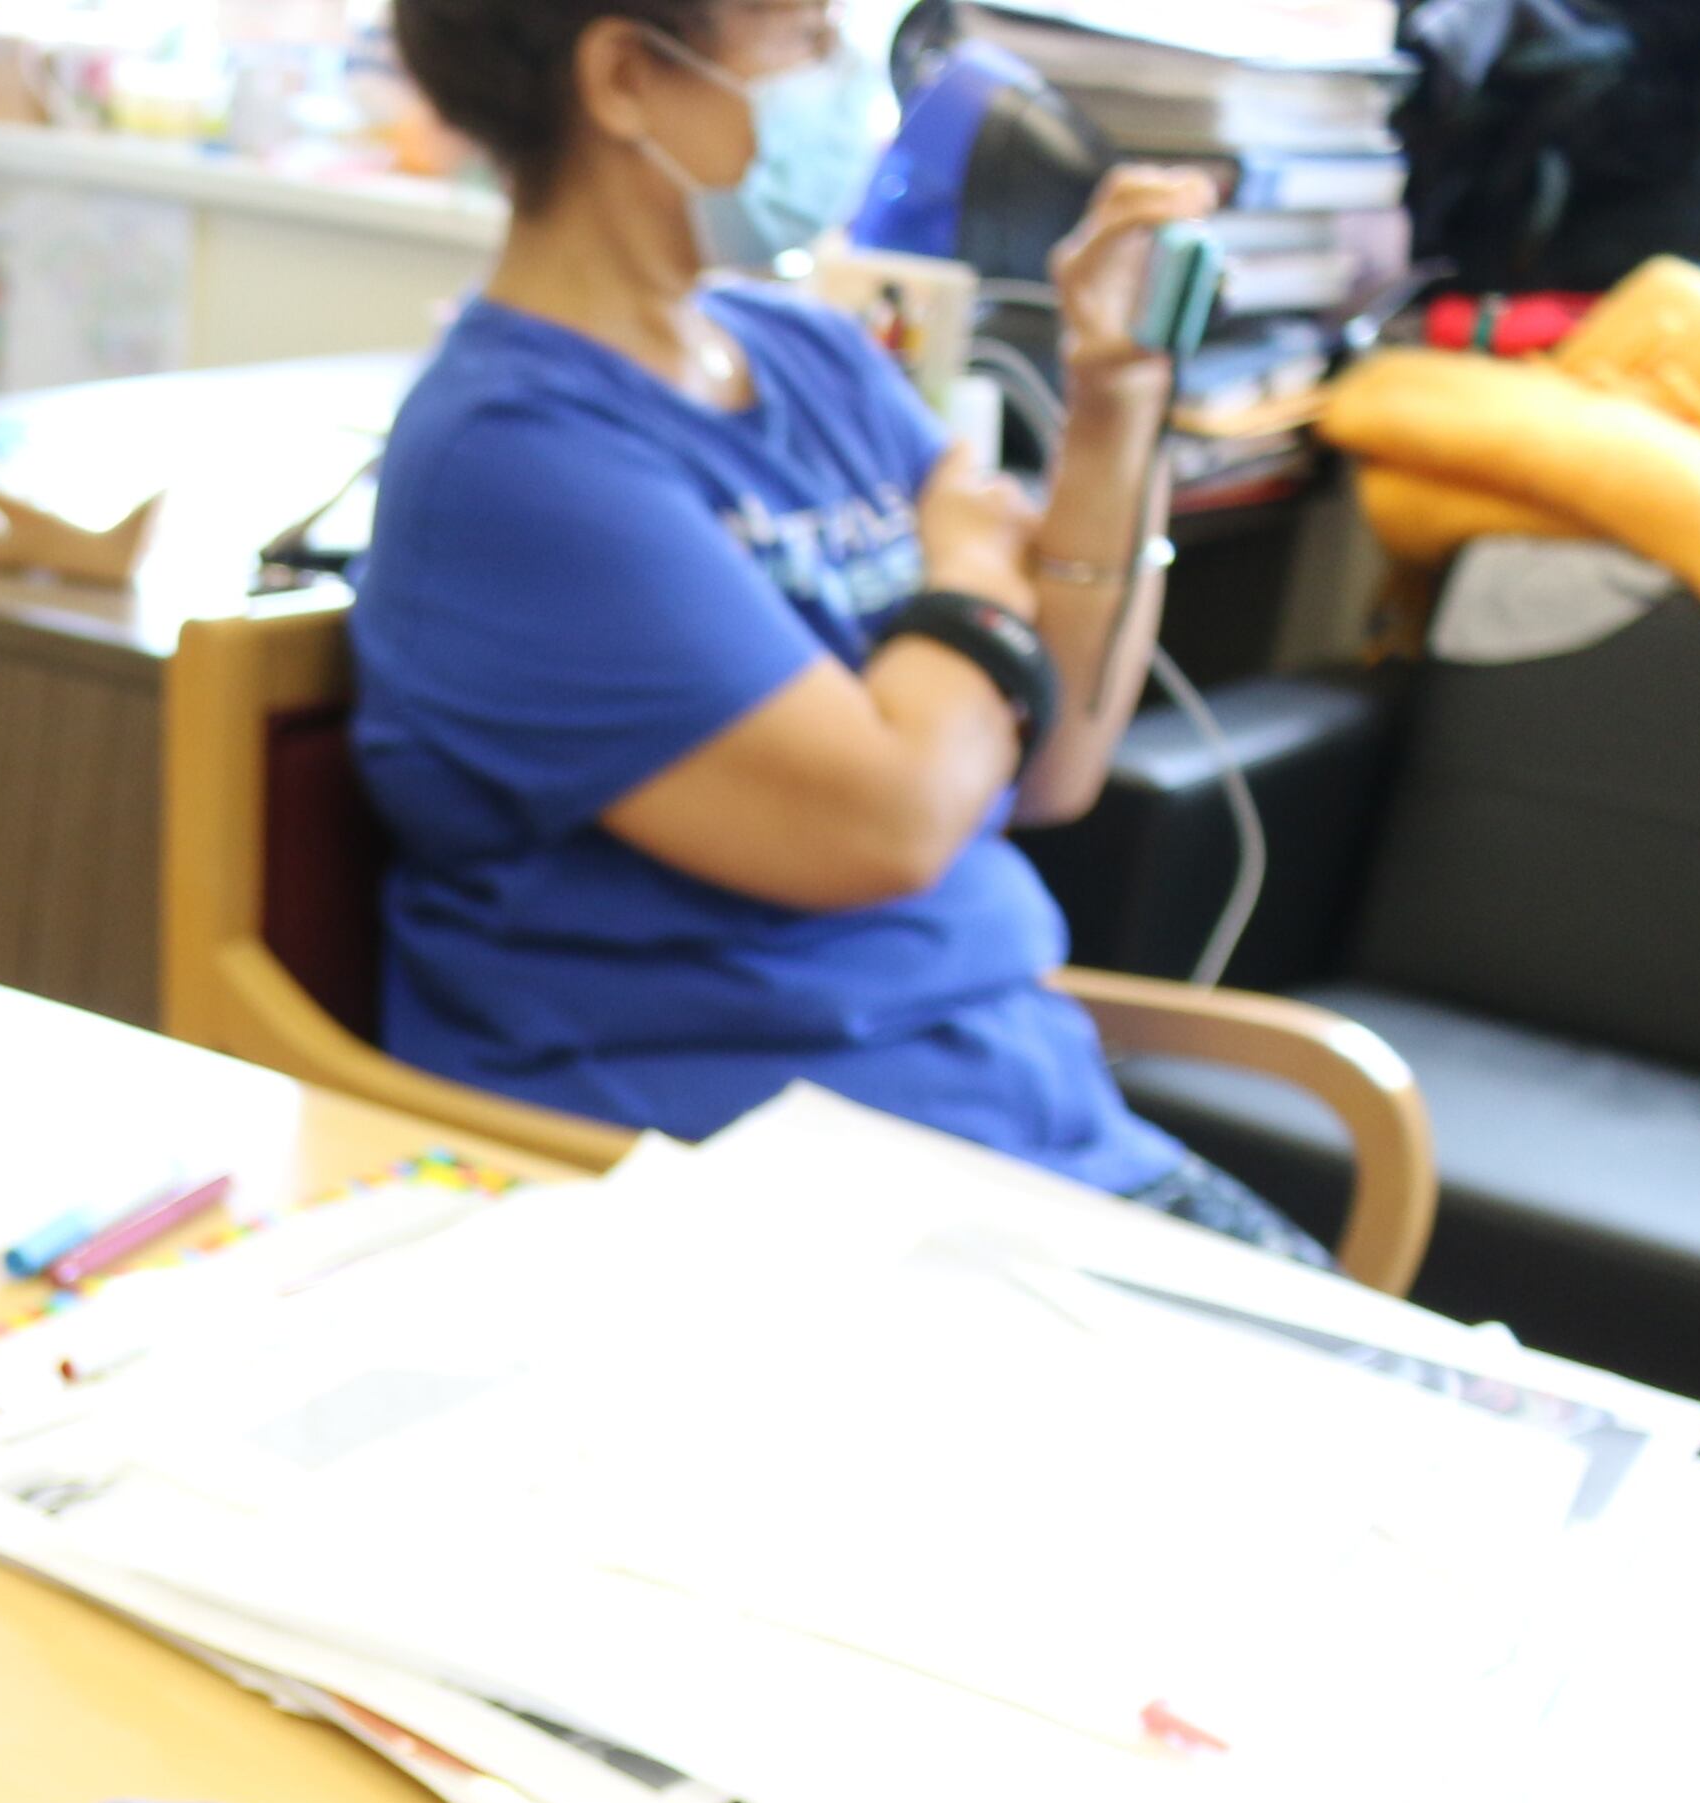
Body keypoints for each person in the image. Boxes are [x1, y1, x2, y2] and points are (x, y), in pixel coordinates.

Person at [360, 0, 1315, 1254]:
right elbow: (893, 820)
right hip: (768, 1201)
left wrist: (1113, 400)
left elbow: (1053, 756)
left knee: (1488, 1432)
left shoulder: (816, 357)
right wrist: (970, 583)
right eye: (802, 39)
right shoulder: (512, 461)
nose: (845, 81)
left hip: (1035, 1134)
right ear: (626, 76)